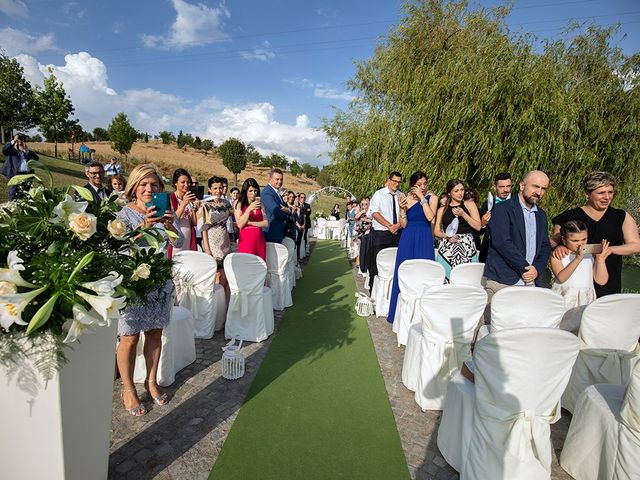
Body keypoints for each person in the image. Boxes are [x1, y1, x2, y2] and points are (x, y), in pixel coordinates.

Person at [116, 164, 183, 416]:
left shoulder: (166, 210)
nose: (149, 188)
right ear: (134, 186)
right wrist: (143, 225)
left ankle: (151, 381)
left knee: (155, 334)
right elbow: (118, 248)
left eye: (154, 185)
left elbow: (179, 242)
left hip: (160, 280)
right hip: (133, 283)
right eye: (143, 184)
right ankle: (128, 389)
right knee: (129, 337)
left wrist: (171, 226)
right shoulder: (123, 214)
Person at [551, 171, 640, 297]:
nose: (607, 197)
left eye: (610, 192)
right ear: (587, 194)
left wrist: (609, 249)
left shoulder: (621, 216)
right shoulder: (568, 216)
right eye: (601, 193)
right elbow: (554, 241)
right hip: (575, 282)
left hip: (609, 279)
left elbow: (636, 246)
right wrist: (559, 246)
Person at [484, 170, 551, 297]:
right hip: (504, 281)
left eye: (543, 189)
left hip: (531, 281)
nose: (539, 192)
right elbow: (502, 243)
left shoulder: (541, 215)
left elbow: (545, 245)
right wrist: (526, 268)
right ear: (522, 185)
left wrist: (536, 269)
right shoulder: (502, 209)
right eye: (535, 186)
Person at [387, 172, 438, 324]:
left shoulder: (432, 198)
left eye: (425, 184)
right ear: (412, 185)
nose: (423, 187)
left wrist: (423, 199)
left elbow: (430, 217)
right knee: (404, 273)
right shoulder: (405, 199)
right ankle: (400, 316)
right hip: (408, 238)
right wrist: (402, 210)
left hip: (424, 237)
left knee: (424, 274)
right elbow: (403, 225)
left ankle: (424, 316)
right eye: (419, 184)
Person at [551, 220, 612, 333]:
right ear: (564, 240)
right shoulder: (558, 256)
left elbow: (601, 281)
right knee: (560, 331)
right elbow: (562, 278)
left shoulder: (591, 255)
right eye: (574, 240)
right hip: (565, 300)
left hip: (585, 301)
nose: (580, 244)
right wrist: (578, 258)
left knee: (583, 332)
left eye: (584, 239)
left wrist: (600, 260)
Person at [434, 179, 482, 279]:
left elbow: (478, 226)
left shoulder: (469, 204)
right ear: (449, 193)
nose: (460, 193)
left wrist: (463, 214)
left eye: (462, 190)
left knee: (467, 278)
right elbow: (436, 231)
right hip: (447, 247)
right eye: (456, 191)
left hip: (466, 245)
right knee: (446, 278)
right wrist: (446, 236)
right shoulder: (442, 210)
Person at [367, 171, 404, 290]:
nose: (396, 184)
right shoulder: (379, 194)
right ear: (389, 180)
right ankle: (374, 291)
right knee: (378, 263)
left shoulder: (401, 195)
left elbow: (405, 213)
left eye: (399, 182)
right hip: (381, 234)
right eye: (394, 181)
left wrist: (397, 225)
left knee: (395, 263)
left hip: (398, 233)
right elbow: (374, 212)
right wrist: (389, 225)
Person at [199, 176, 233, 288]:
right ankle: (216, 299)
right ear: (209, 189)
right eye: (215, 188)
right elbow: (203, 228)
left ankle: (223, 298)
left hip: (225, 239)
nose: (218, 191)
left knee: (225, 272)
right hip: (212, 240)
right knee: (216, 274)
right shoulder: (205, 205)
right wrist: (207, 250)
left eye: (220, 188)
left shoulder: (226, 203)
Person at [478, 172, 512, 262]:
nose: (505, 190)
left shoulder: (517, 203)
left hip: (511, 250)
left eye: (508, 186)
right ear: (494, 187)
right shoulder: (488, 204)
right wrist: (483, 223)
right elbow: (480, 231)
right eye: (501, 187)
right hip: (489, 250)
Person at [168, 168, 199, 257]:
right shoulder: (171, 198)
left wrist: (195, 209)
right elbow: (172, 220)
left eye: (188, 182)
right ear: (175, 183)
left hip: (189, 237)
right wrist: (183, 204)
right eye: (183, 182)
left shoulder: (189, 199)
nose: (186, 185)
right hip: (176, 237)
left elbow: (194, 223)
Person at [236, 177, 268, 260]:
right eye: (250, 191)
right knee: (247, 265)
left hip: (259, 239)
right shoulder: (239, 204)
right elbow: (240, 224)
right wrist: (249, 209)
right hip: (246, 239)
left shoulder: (261, 204)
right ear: (245, 192)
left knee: (261, 266)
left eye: (255, 191)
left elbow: (266, 223)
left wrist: (250, 223)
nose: (253, 193)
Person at [2, 134, 39, 200]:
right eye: (18, 142)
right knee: (13, 192)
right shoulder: (12, 151)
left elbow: (36, 158)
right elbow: (4, 150)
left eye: (22, 142)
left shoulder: (27, 152)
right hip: (16, 174)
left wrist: (25, 150)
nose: (20, 143)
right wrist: (14, 140)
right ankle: (12, 205)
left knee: (26, 193)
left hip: (27, 175)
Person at [261, 168, 290, 243]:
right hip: (271, 233)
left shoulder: (276, 192)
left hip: (277, 233)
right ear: (270, 179)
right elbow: (276, 212)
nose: (279, 182)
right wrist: (288, 212)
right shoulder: (267, 193)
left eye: (281, 179)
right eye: (277, 179)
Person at [356, 197, 372, 272]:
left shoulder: (371, 212)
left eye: (366, 204)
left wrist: (367, 219)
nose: (364, 205)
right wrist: (362, 212)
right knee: (360, 249)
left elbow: (373, 220)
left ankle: (366, 265)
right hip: (361, 233)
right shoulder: (360, 212)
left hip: (368, 232)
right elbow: (356, 217)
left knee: (367, 249)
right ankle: (361, 265)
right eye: (362, 204)